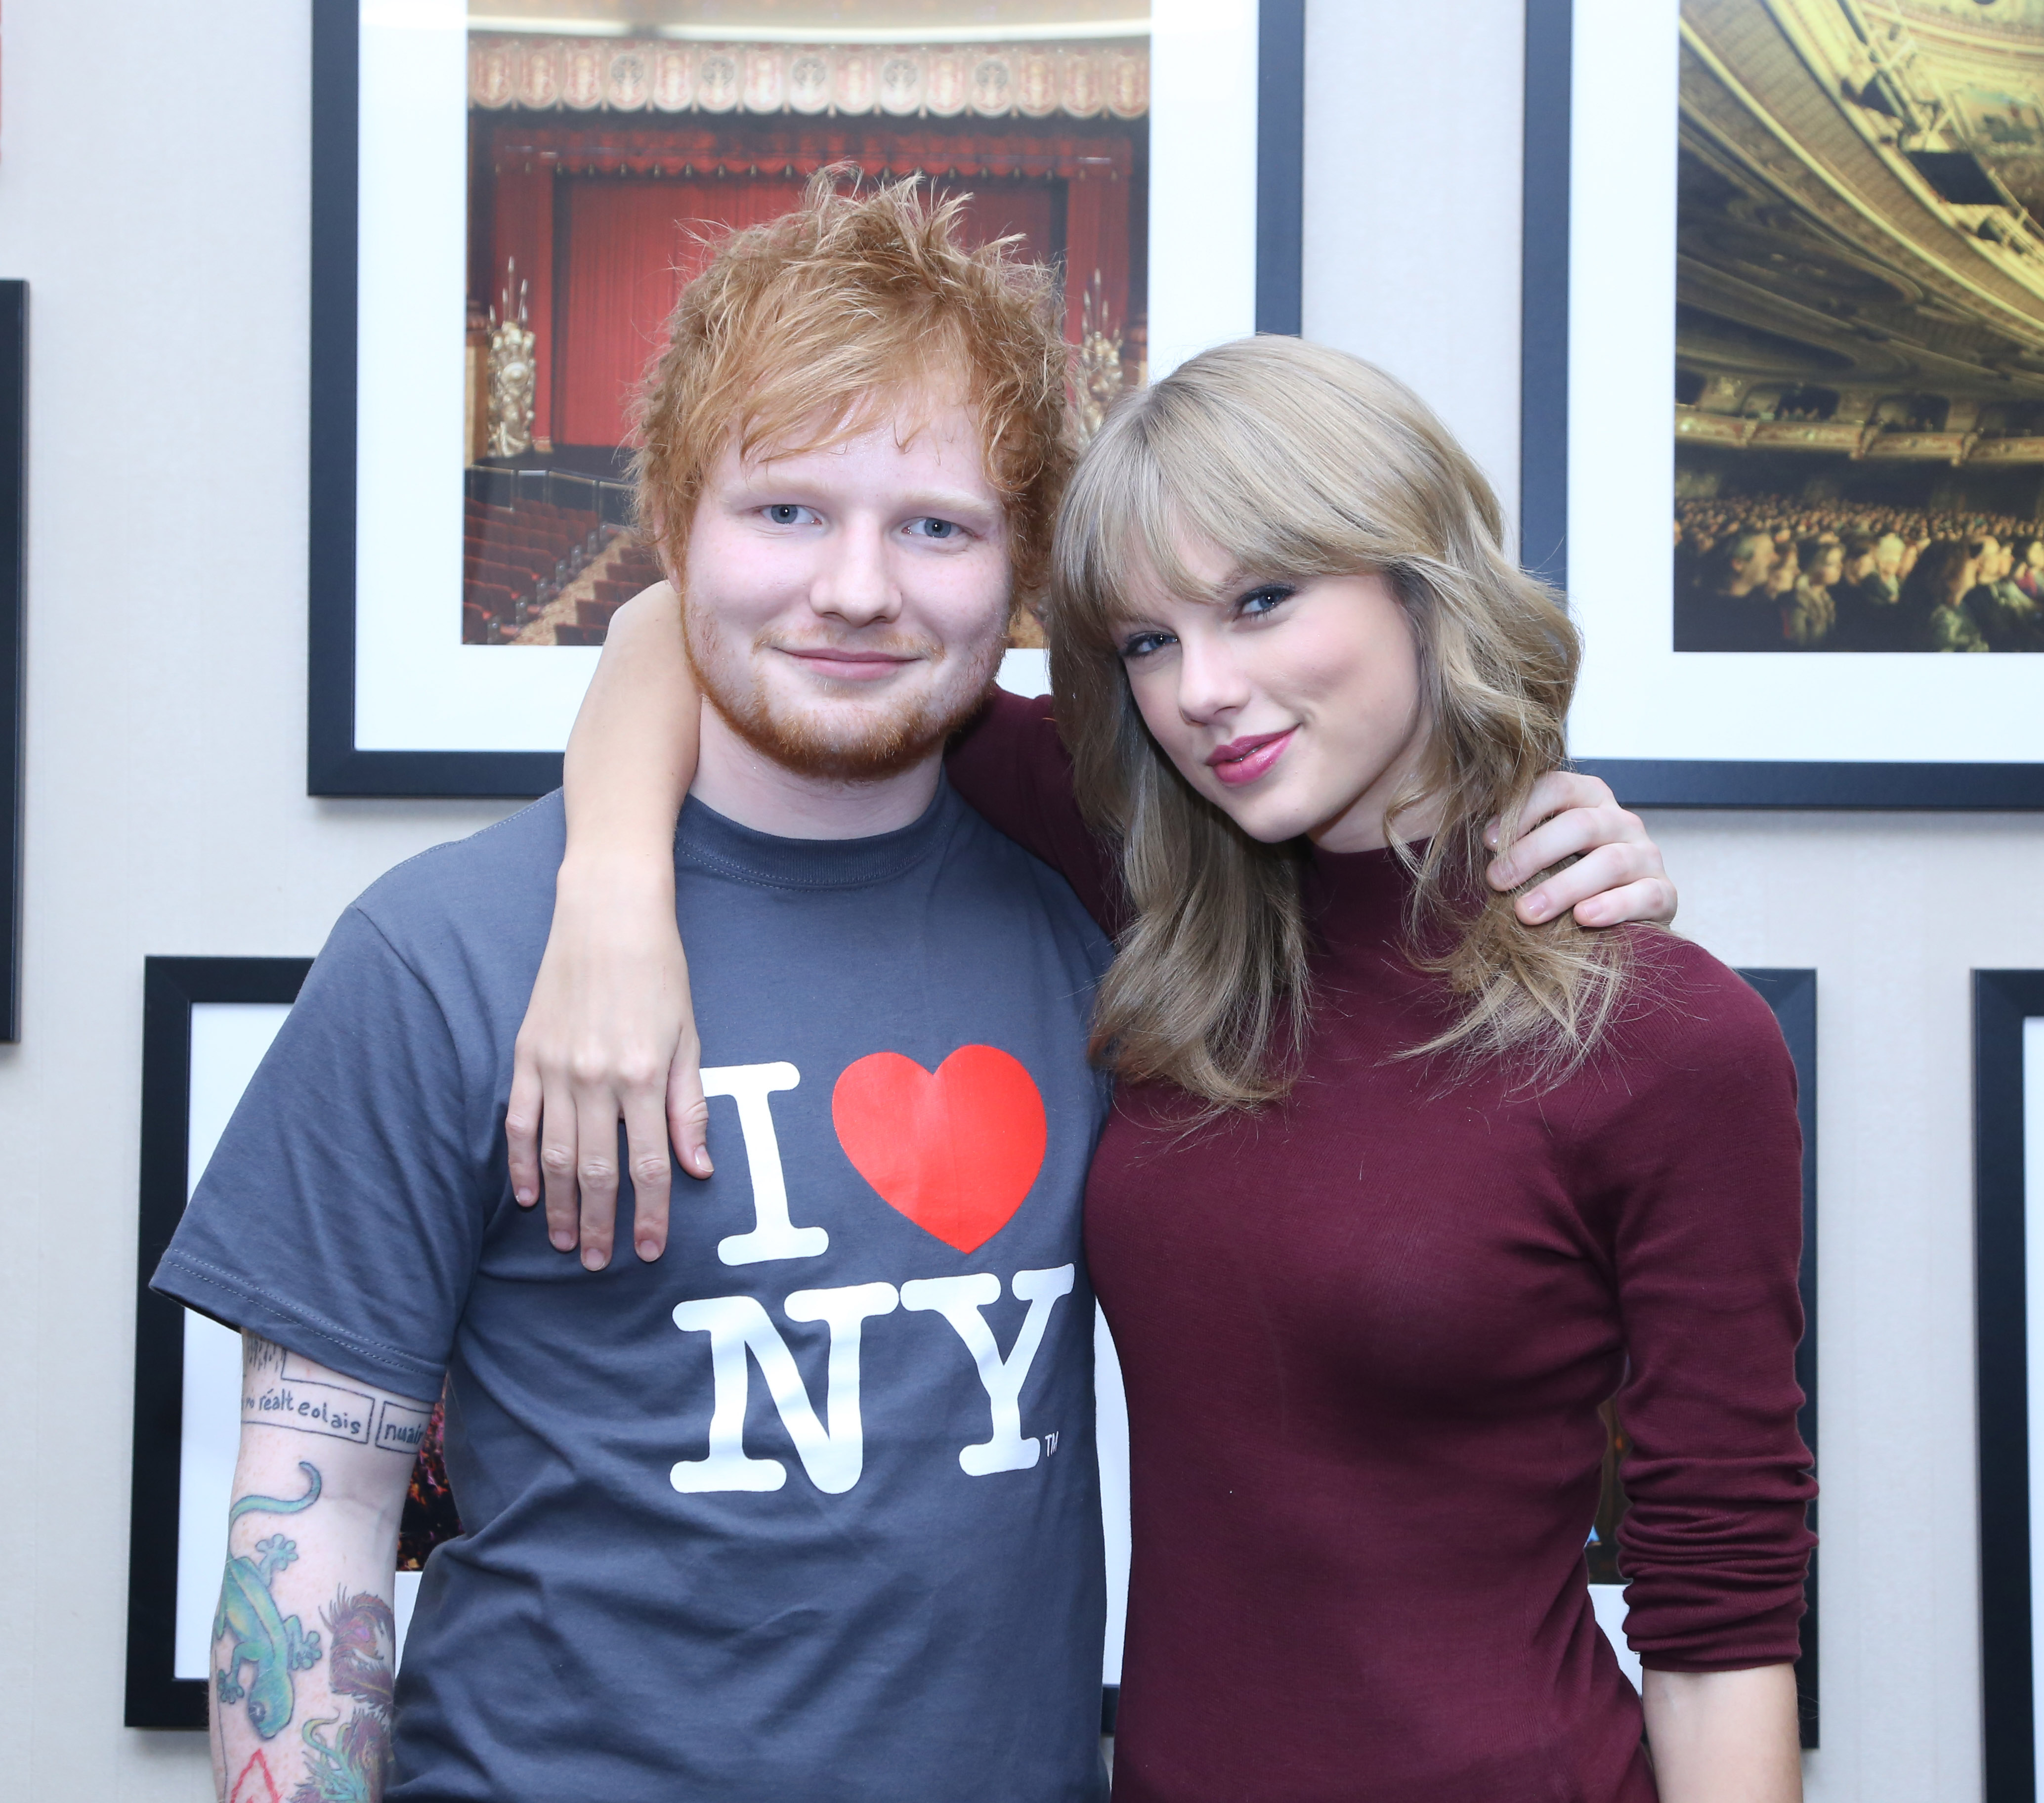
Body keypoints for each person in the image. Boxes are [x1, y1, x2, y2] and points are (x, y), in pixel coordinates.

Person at [153, 179, 1671, 1803]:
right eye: (785, 512)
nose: (859, 589)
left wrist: (1546, 833)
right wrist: (606, 883)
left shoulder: (1136, 916)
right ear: (672, 533)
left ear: (1025, 578)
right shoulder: (442, 954)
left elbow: (1395, 907)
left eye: (936, 526)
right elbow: (310, 1515)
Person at [524, 337, 1812, 1797]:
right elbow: (666, 629)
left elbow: (1722, 1616)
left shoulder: (1669, 1041)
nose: (1204, 689)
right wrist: (615, 899)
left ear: (1421, 582)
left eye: (1262, 602)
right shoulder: (1155, 899)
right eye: (1148, 641)